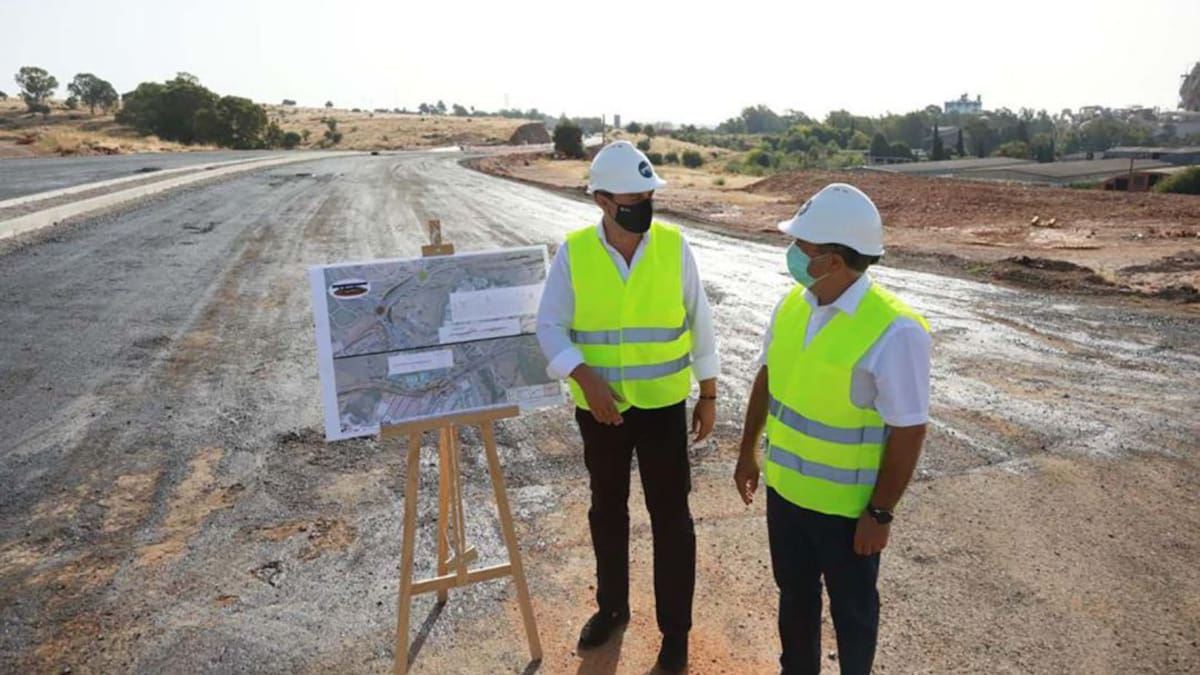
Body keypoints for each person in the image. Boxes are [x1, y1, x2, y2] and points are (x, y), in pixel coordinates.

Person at [536, 140, 720, 673]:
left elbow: (699, 320)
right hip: (602, 412)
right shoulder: (575, 252)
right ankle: (612, 609)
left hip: (663, 406)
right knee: (607, 512)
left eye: (648, 196)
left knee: (672, 521)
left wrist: (708, 393)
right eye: (632, 199)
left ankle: (676, 634)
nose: (644, 206)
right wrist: (584, 377)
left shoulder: (673, 246)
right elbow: (549, 326)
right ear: (601, 201)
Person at [733, 183, 931, 675]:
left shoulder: (895, 330)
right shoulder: (791, 306)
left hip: (847, 513)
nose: (792, 254)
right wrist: (747, 451)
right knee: (795, 599)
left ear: (834, 261)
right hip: (786, 495)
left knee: (853, 614)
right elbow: (767, 377)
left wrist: (880, 513)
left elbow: (909, 431)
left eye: (802, 247)